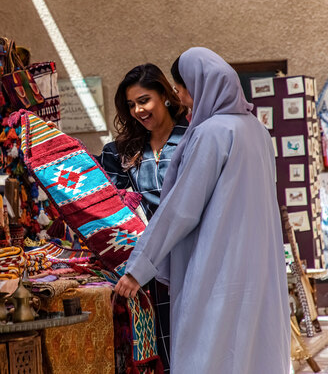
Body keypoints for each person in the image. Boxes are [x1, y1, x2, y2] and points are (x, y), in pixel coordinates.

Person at [114, 47, 290, 374]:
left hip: (219, 267)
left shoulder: (211, 134)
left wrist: (139, 266)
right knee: (253, 353)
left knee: (210, 352)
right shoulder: (258, 132)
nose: (182, 100)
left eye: (182, 91)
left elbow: (181, 208)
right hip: (258, 268)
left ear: (201, 86)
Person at [98, 63, 187, 372]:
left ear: (164, 95)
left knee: (190, 350)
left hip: (188, 263)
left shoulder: (194, 140)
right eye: (131, 104)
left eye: (144, 100)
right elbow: (108, 210)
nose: (138, 110)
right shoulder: (119, 151)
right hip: (139, 269)